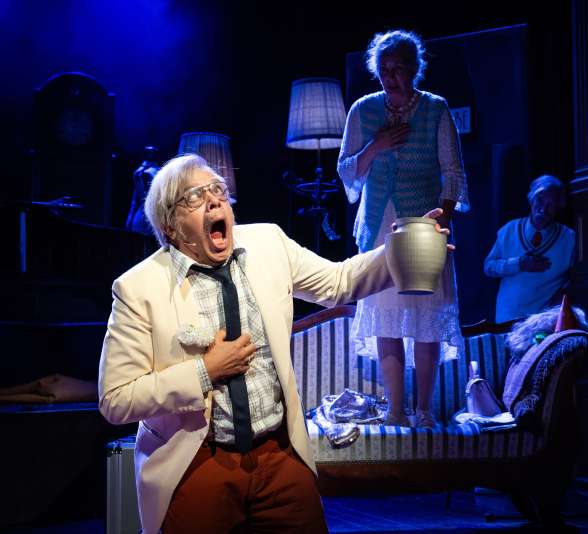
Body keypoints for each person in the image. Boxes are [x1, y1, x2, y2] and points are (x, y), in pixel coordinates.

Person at [98, 154, 451, 533]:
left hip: (277, 452)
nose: (214, 200)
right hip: (195, 458)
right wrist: (204, 372)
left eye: (218, 190)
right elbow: (116, 399)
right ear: (170, 226)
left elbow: (339, 282)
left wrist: (400, 248)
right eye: (195, 197)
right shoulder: (138, 288)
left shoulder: (269, 243)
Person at [337, 30, 470, 428]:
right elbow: (347, 170)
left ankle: (424, 411)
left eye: (398, 69)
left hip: (424, 225)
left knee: (426, 318)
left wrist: (443, 216)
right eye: (383, 69)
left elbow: (453, 171)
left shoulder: (435, 109)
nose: (390, 77)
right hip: (379, 227)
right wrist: (376, 146)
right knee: (386, 316)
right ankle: (396, 410)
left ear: (414, 69)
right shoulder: (363, 110)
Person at [484, 175, 575, 323]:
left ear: (559, 206)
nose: (543, 209)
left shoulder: (569, 238)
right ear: (531, 199)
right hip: (507, 319)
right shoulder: (509, 230)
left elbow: (576, 278)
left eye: (551, 204)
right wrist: (519, 263)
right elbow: (488, 267)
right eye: (540, 200)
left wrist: (562, 296)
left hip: (544, 322)